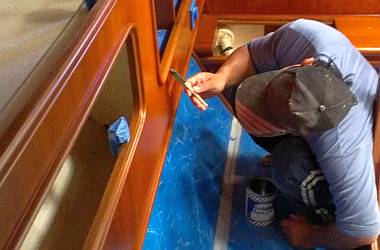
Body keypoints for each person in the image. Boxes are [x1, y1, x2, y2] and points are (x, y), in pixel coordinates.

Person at [185, 19, 380, 249]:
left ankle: (322, 207)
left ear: (296, 132)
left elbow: (363, 232)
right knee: (233, 87)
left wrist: (310, 236)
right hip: (329, 129)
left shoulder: (343, 150)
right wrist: (222, 77)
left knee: (291, 166)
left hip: (355, 153)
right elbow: (251, 52)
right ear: (303, 64)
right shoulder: (306, 36)